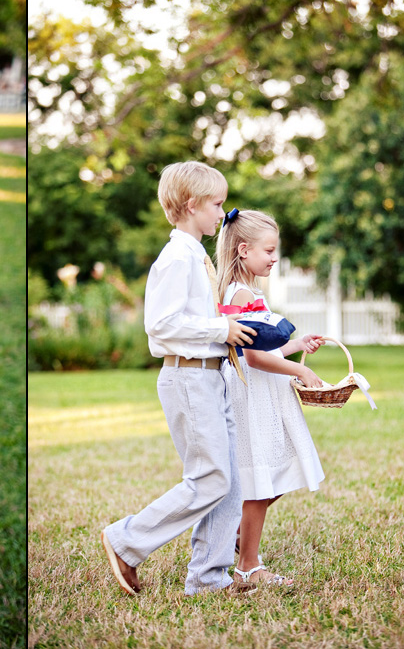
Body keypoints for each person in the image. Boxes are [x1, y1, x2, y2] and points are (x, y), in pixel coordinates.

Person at [101, 161, 258, 596]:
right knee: (209, 478)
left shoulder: (196, 255)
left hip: (212, 376)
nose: (222, 214)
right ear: (192, 206)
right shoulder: (175, 258)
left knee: (230, 482)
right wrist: (218, 330)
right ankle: (127, 541)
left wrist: (238, 326)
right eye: (217, 205)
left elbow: (198, 317)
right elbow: (161, 324)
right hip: (188, 378)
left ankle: (208, 577)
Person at [214, 208, 326, 587]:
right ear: (243, 250)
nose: (274, 258)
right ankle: (248, 566)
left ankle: (240, 536)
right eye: (269, 250)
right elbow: (256, 358)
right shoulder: (241, 293)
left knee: (273, 474)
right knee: (261, 478)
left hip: (262, 390)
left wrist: (296, 345)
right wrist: (301, 370)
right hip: (253, 394)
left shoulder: (250, 292)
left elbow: (264, 347)